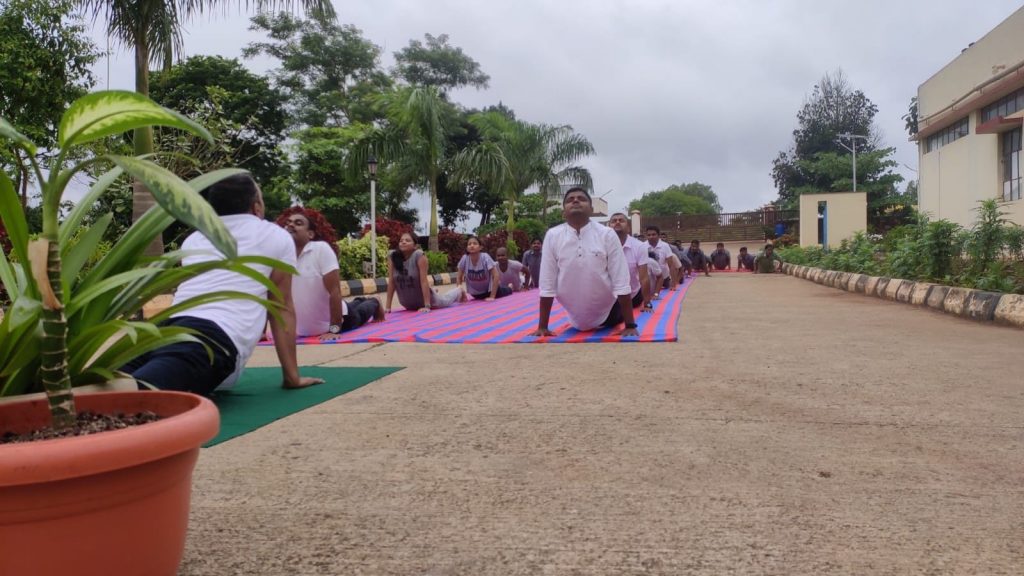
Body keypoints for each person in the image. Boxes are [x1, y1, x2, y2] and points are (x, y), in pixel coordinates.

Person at [122, 173, 323, 394]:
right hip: (214, 338)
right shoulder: (274, 235)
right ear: (256, 207)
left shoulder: (195, 239)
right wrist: (292, 377)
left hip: (164, 330)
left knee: (102, 385)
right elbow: (281, 307)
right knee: (133, 394)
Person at [533, 187, 638, 338]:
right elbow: (547, 282)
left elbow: (620, 280)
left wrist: (630, 325)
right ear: (564, 211)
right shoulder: (553, 235)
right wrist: (542, 326)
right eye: (570, 200)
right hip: (574, 317)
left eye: (581, 199)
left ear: (591, 209)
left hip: (609, 313)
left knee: (635, 295)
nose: (575, 200)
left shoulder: (607, 234)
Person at [277, 206, 382, 338]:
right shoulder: (281, 258)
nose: (291, 225)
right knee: (353, 304)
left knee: (360, 313)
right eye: (288, 223)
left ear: (310, 234)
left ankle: (374, 301)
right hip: (303, 331)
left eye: (298, 223)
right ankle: (360, 300)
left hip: (341, 319)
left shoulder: (320, 249)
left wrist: (334, 329)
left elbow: (335, 291)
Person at [386, 232, 462, 312]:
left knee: (446, 299)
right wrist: (388, 308)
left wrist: (427, 306)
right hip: (407, 305)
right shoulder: (393, 256)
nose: (403, 242)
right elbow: (391, 282)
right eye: (401, 241)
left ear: (415, 246)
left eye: (407, 240)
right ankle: (433, 290)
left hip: (428, 302)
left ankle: (459, 290)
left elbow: (424, 281)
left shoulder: (419, 255)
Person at [608, 212, 652, 311]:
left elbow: (644, 278)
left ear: (628, 227)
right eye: (614, 221)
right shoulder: (601, 246)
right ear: (609, 227)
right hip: (609, 297)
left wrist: (647, 303)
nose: (617, 222)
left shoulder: (639, 246)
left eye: (621, 220)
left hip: (632, 296)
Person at [457, 235, 512, 300]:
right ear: (467, 248)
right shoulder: (464, 259)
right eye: (469, 244)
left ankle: (510, 287)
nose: (472, 245)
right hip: (475, 294)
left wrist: (492, 296)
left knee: (507, 291)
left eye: (475, 243)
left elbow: (496, 275)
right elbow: (459, 277)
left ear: (480, 247)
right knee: (480, 297)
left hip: (490, 291)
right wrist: (461, 295)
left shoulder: (485, 257)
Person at [645, 225, 680, 290]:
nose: (651, 237)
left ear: (658, 235)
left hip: (664, 278)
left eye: (653, 234)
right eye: (649, 235)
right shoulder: (642, 246)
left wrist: (673, 284)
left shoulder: (665, 246)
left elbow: (671, 265)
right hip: (650, 279)